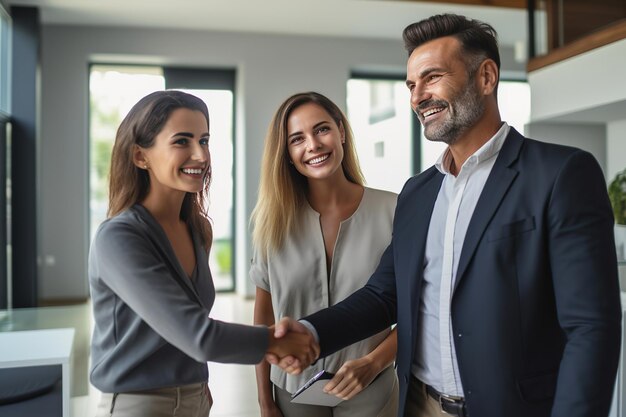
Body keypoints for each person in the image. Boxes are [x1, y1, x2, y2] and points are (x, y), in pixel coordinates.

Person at [270, 14, 622, 417]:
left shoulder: (560, 174)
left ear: (486, 77)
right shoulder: (418, 192)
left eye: (432, 77)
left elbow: (591, 328)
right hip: (422, 405)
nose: (418, 96)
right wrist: (313, 331)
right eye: (411, 85)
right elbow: (384, 295)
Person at [88, 90, 318, 417]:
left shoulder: (197, 229)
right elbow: (198, 335)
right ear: (140, 156)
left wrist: (198, 390)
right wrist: (276, 342)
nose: (200, 154)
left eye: (204, 140)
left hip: (196, 398)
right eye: (182, 141)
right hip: (139, 404)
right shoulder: (119, 237)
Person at [250, 91, 399, 417]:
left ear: (341, 132)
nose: (313, 145)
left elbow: (417, 308)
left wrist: (373, 363)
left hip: (370, 386)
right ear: (287, 153)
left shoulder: (395, 210)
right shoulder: (272, 222)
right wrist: (264, 399)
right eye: (297, 139)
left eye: (321, 129)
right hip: (292, 390)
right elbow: (264, 320)